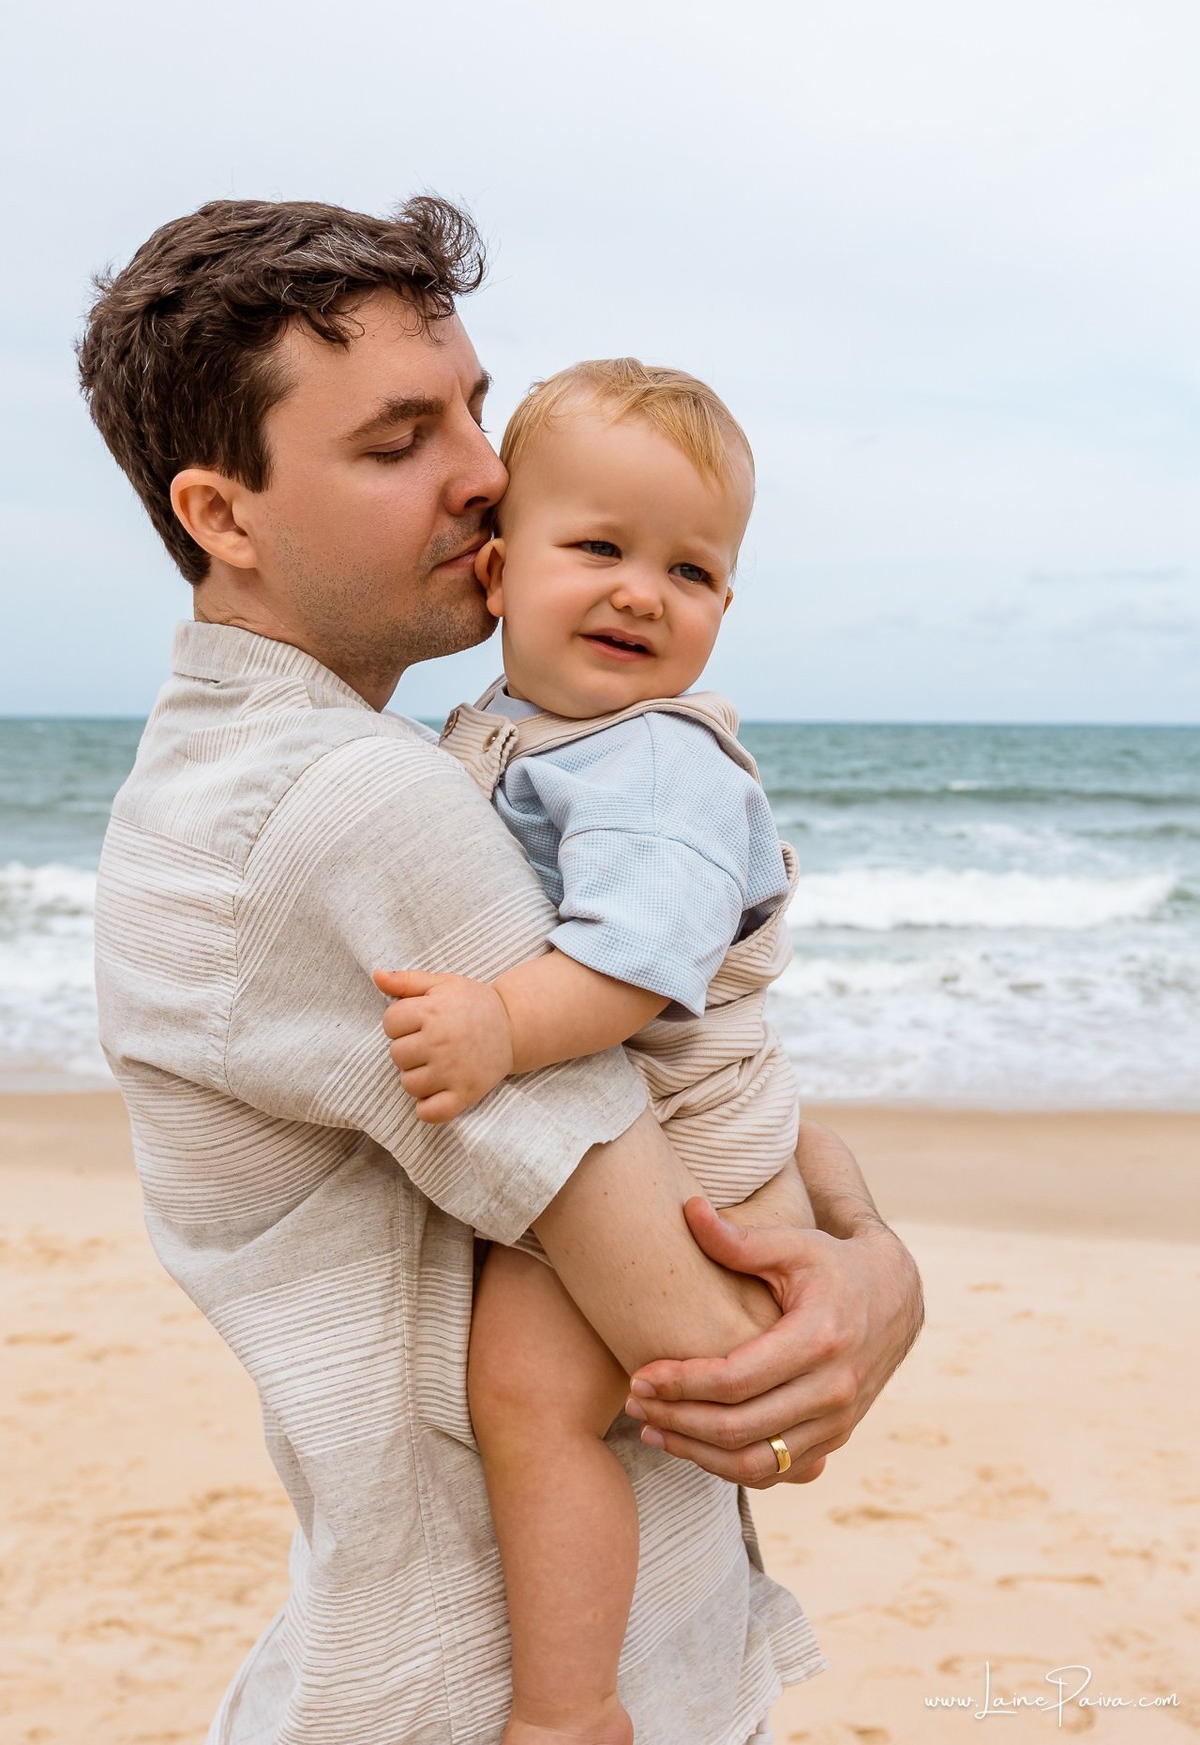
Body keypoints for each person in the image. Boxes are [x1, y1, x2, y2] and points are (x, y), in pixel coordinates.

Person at [78, 194, 923, 1745]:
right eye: (399, 441)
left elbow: (659, 1058)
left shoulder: (250, 775)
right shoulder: (359, 805)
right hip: (481, 1702)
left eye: (474, 404)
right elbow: (737, 1384)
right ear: (224, 514)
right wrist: (878, 1272)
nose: (482, 469)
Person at [375, 357, 815, 1745]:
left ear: (726, 611)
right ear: (499, 572)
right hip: (650, 1131)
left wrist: (503, 1024)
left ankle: (569, 1711)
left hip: (695, 1145)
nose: (642, 591)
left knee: (531, 1396)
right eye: (601, 548)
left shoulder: (655, 762)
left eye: (691, 572)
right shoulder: (524, 732)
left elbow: (633, 967)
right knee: (532, 1398)